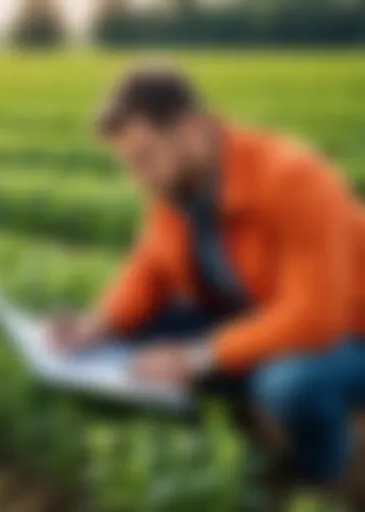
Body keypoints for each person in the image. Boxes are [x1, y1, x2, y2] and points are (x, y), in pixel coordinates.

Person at [47, 64, 365, 508]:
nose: (140, 177)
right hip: (263, 319)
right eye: (129, 164)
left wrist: (199, 357)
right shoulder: (177, 188)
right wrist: (98, 323)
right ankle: (237, 441)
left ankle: (321, 477)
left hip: (347, 334)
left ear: (191, 129)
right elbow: (149, 268)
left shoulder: (293, 177)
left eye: (145, 157)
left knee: (287, 385)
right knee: (126, 330)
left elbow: (318, 317)